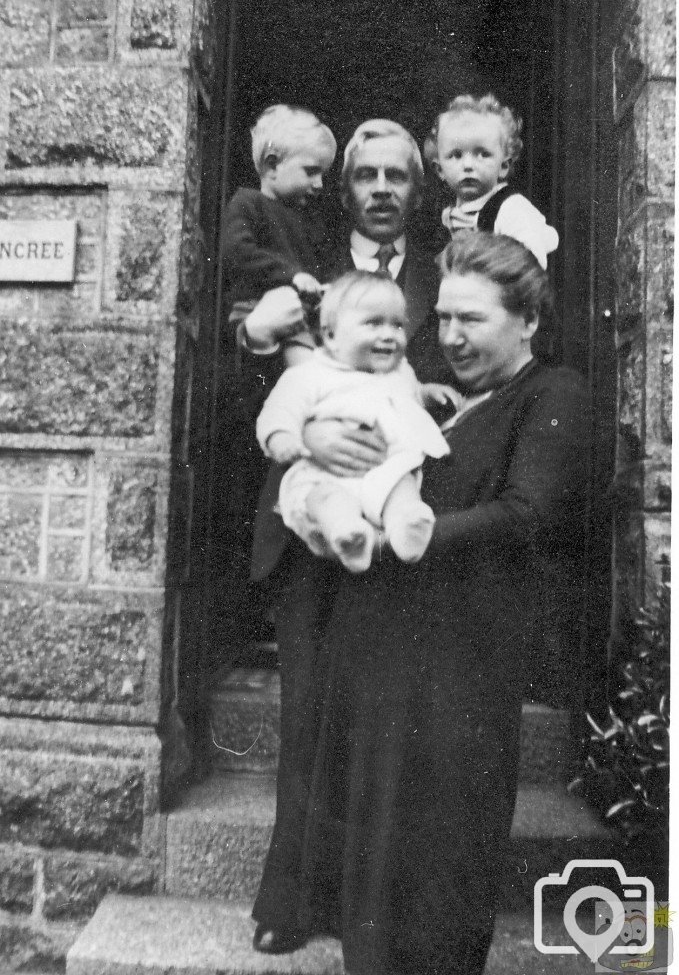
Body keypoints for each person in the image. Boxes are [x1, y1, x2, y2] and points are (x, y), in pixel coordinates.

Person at [258, 231, 590, 973]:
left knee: (439, 871)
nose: (451, 336)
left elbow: (525, 514)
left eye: (471, 318)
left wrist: (409, 537)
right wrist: (312, 435)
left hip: (461, 667)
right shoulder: (436, 398)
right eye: (441, 318)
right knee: (379, 861)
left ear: (528, 320)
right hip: (389, 661)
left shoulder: (550, 392)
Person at [243, 120, 449, 954]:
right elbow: (248, 347)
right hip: (308, 529)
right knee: (307, 715)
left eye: (397, 175)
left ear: (417, 188)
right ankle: (290, 903)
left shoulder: (445, 277)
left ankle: (372, 905)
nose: (380, 189)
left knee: (385, 723)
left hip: (399, 524)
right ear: (344, 188)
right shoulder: (306, 273)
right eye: (365, 175)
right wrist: (308, 434)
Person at [256, 272, 451, 572]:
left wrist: (427, 394)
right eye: (373, 324)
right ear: (331, 335)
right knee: (324, 499)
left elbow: (408, 396)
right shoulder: (311, 373)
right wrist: (281, 438)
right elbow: (280, 409)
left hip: (382, 471)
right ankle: (347, 533)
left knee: (402, 484)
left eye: (396, 324)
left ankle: (406, 526)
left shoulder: (401, 372)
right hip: (326, 474)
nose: (388, 334)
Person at [223, 104, 337, 364]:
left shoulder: (308, 221)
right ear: (272, 166)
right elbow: (239, 253)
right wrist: (292, 276)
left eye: (323, 174)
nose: (319, 184)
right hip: (257, 310)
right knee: (309, 370)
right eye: (310, 171)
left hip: (302, 319)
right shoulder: (248, 204)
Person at [432, 93, 559, 268]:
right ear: (440, 170)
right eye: (456, 155)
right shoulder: (449, 213)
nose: (468, 165)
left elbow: (530, 269)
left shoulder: (512, 210)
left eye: (483, 154)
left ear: (504, 166)